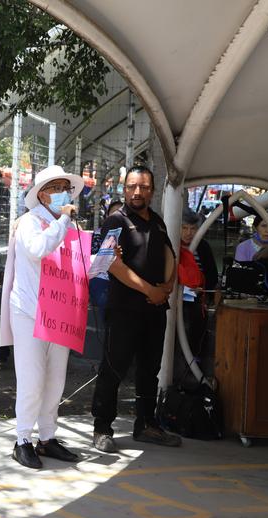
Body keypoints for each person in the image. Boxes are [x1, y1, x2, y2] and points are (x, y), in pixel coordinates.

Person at [90, 165, 181, 453]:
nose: (137, 192)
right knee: (113, 369)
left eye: (143, 186)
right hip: (124, 310)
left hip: (155, 310)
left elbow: (170, 256)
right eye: (131, 186)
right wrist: (149, 290)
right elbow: (111, 264)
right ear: (124, 188)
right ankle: (102, 427)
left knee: (149, 371)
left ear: (152, 190)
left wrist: (166, 286)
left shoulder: (158, 222)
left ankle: (146, 425)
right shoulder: (115, 221)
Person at [0, 165, 83, 469]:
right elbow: (38, 250)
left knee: (55, 380)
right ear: (44, 194)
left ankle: (47, 438)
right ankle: (22, 439)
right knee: (32, 379)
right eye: (58, 187)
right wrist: (63, 221)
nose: (65, 192)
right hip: (29, 312)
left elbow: (77, 262)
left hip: (58, 311)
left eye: (67, 187)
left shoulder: (67, 225)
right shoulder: (29, 223)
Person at [178, 209, 218, 378]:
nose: (188, 233)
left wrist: (203, 289)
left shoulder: (203, 247)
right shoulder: (172, 244)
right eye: (185, 228)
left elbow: (212, 274)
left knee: (197, 320)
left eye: (192, 229)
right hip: (175, 294)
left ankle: (195, 359)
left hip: (196, 296)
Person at [89, 200, 124, 322]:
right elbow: (93, 257)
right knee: (106, 302)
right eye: (114, 213)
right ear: (107, 216)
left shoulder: (131, 234)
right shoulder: (99, 233)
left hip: (124, 278)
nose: (118, 217)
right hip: (102, 277)